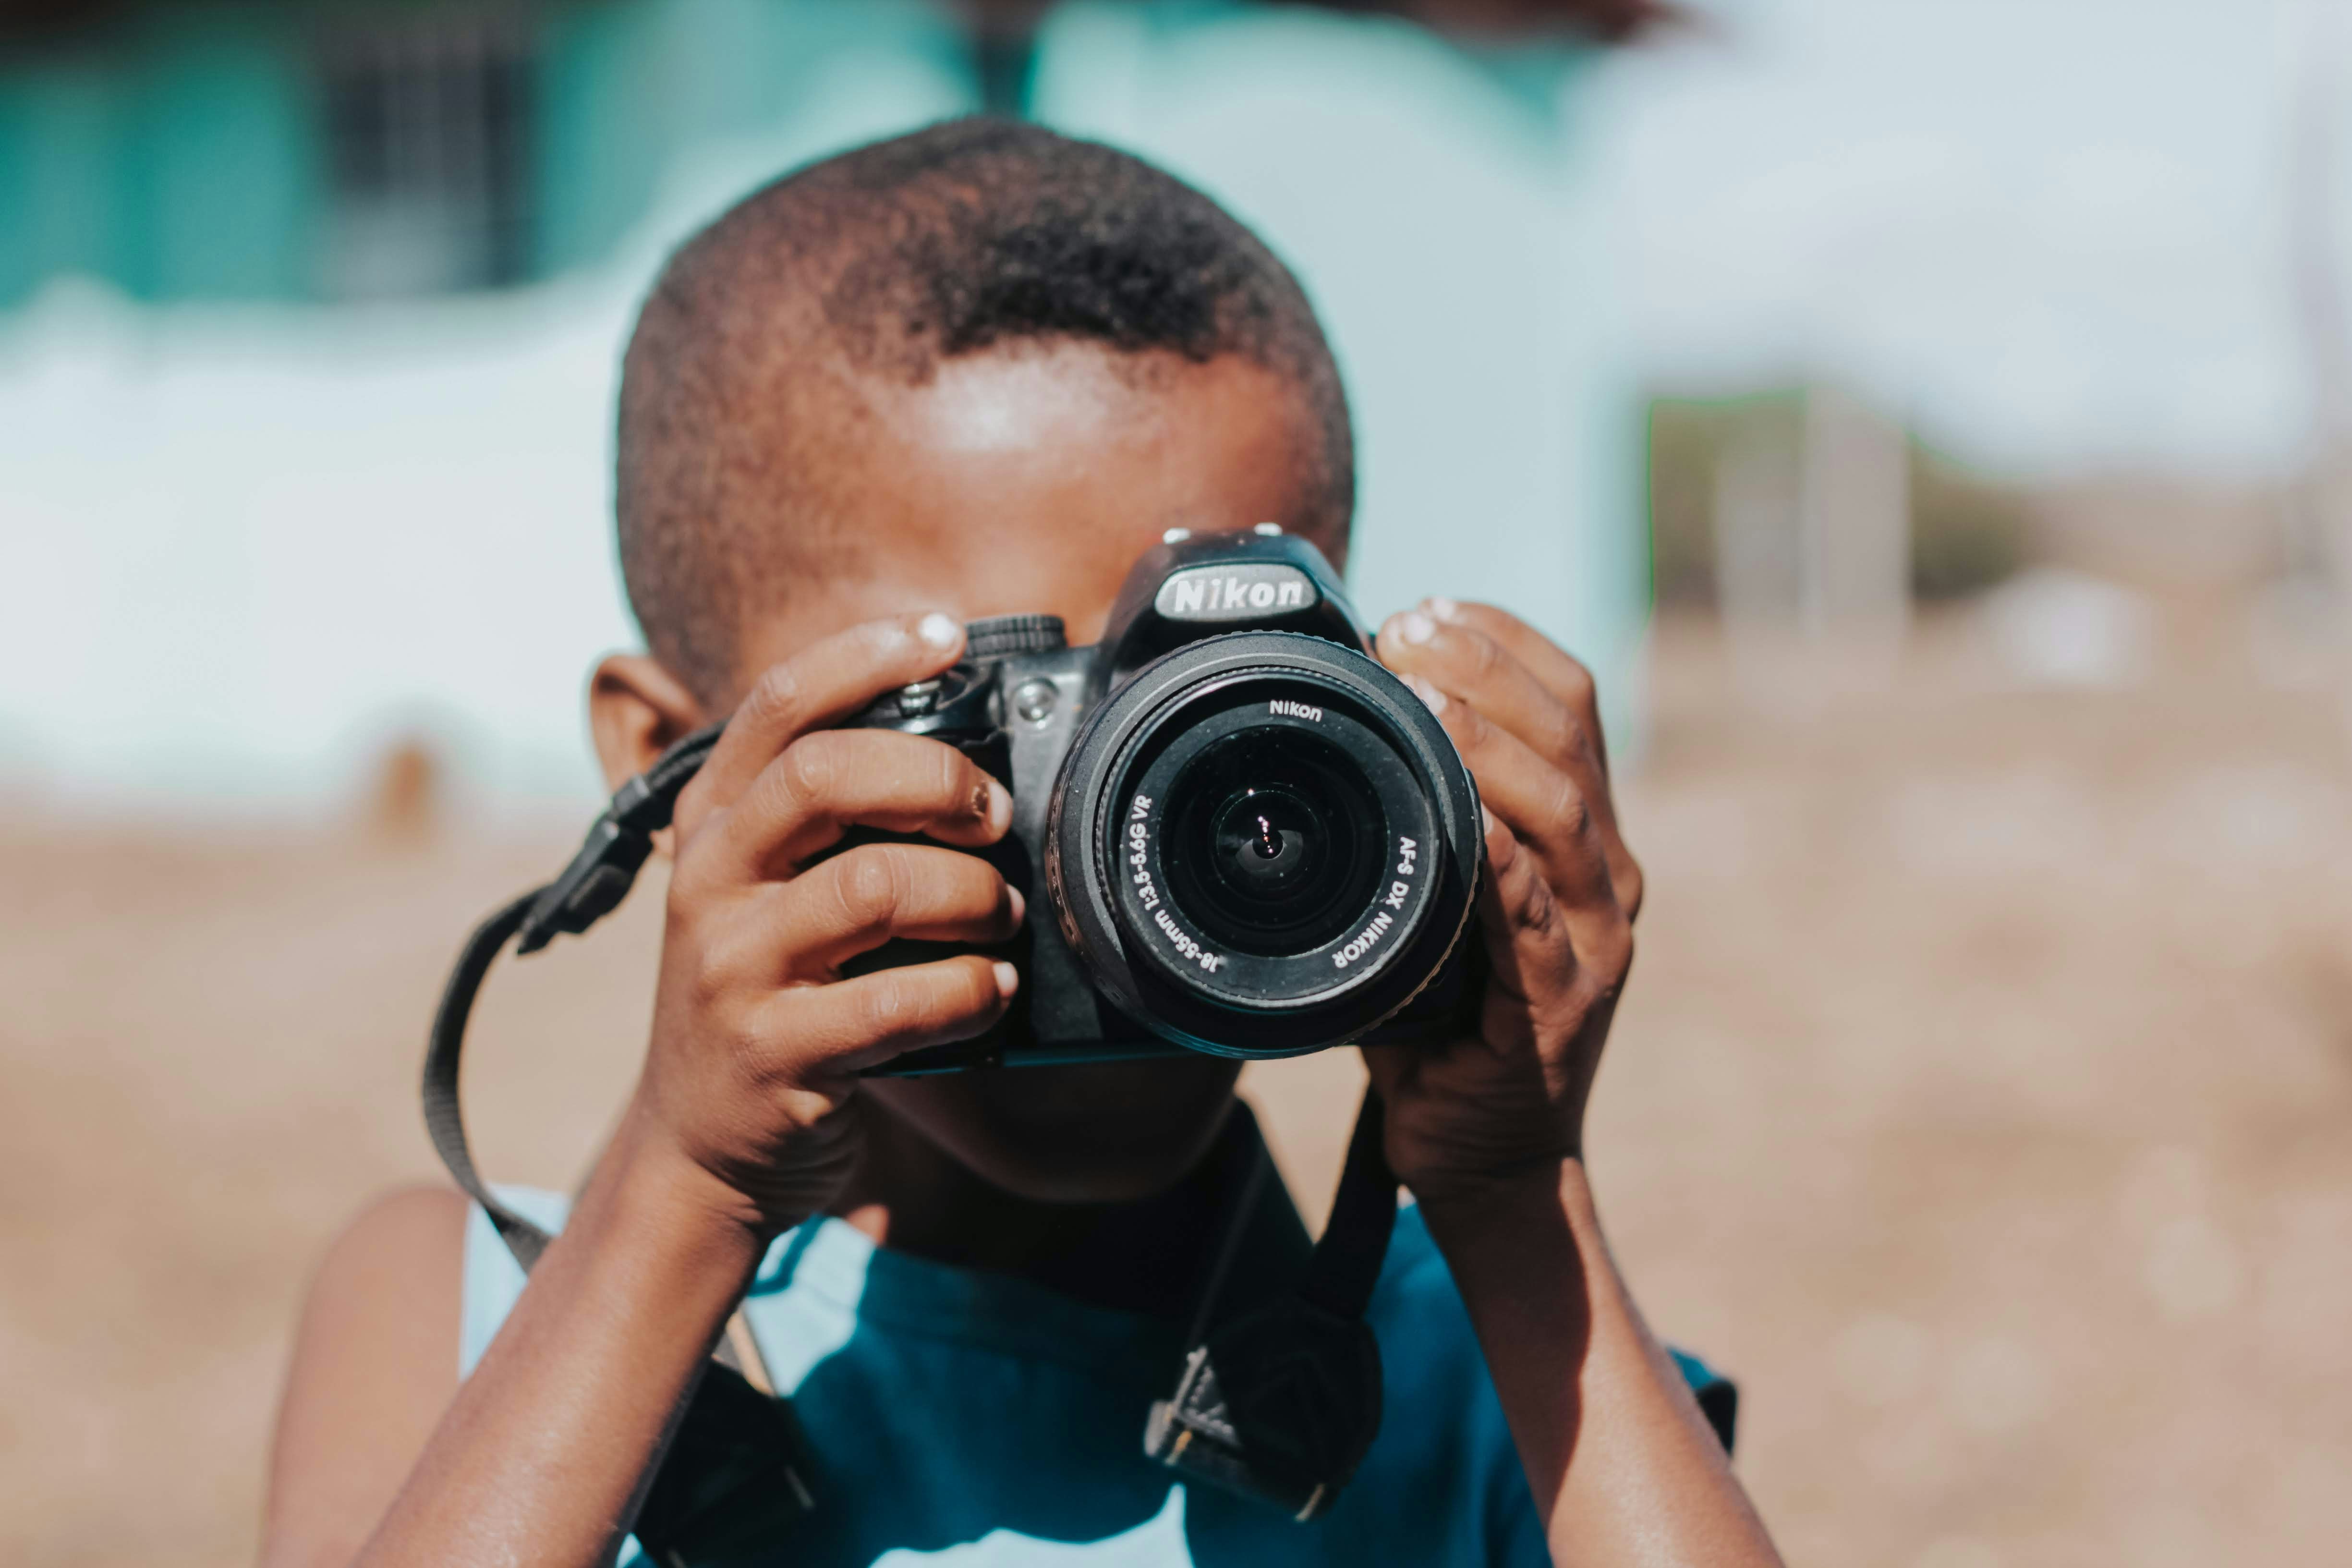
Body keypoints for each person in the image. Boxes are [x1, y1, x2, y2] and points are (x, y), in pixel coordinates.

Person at [260, 119, 1782, 1568]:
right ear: (672, 764)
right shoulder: (465, 1307)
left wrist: (1518, 1195)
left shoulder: (1497, 1375)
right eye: (1009, 721)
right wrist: (687, 1191)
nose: (1134, 835)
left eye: (1211, 718)